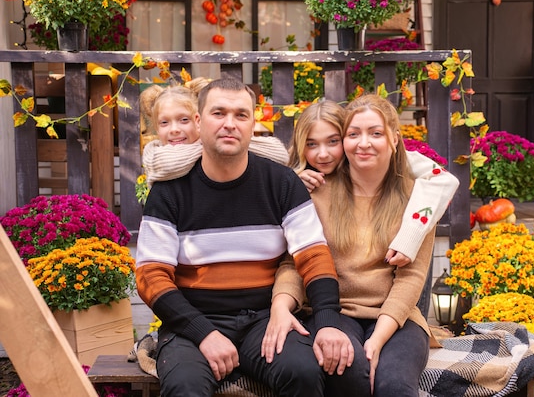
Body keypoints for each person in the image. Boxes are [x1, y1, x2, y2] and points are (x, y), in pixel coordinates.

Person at [135, 78, 354, 397]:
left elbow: (313, 257)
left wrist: (328, 320)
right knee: (185, 387)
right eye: (218, 113)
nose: (229, 124)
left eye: (241, 115)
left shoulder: (281, 183)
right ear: (198, 121)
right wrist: (204, 333)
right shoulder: (169, 191)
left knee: (303, 372)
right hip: (193, 324)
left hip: (264, 321)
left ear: (253, 124)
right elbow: (150, 276)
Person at [273, 95, 450, 396]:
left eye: (376, 133)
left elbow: (412, 277)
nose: (364, 143)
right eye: (353, 134)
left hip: (398, 317)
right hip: (335, 311)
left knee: (393, 385)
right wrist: (282, 302)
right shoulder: (317, 190)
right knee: (348, 371)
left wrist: (377, 341)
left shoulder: (420, 198)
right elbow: (295, 262)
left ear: (394, 138)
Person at [288, 100, 459, 267]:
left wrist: (410, 234)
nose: (323, 154)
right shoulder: (297, 180)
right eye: (311, 144)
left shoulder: (376, 157)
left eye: (333, 141)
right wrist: (295, 182)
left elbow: (444, 180)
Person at [139, 79, 290, 188]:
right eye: (164, 123)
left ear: (199, 121)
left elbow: (279, 154)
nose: (174, 129)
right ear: (157, 128)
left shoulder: (219, 141)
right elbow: (165, 164)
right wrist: (211, 147)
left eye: (184, 120)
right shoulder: (154, 152)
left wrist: (219, 143)